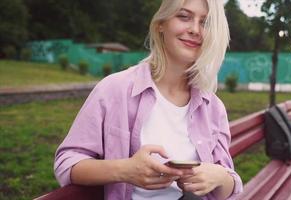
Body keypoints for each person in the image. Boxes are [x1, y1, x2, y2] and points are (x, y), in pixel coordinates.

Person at [54, 0, 243, 199]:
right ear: (161, 24)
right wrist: (125, 170)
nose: (195, 29)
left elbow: (228, 189)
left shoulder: (213, 107)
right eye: (184, 17)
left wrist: (220, 177)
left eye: (205, 23)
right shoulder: (114, 89)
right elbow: (66, 163)